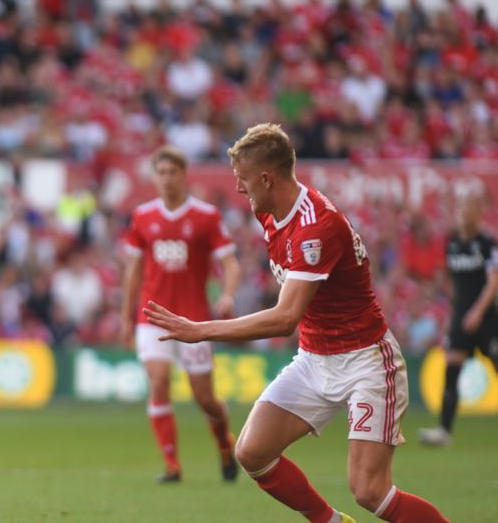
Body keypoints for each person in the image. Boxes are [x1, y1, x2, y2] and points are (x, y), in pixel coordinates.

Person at [143, 123, 447, 522]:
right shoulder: (268, 212)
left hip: (366, 363)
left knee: (370, 492)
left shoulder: (314, 228)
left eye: (244, 179)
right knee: (252, 452)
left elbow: (285, 318)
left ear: (267, 178)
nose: (239, 188)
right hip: (315, 358)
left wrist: (199, 330)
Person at [121, 145, 241, 483]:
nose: (167, 179)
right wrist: (125, 317)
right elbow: (133, 270)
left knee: (205, 399)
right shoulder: (143, 217)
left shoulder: (206, 217)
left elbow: (230, 263)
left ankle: (223, 443)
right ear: (154, 177)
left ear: (184, 175)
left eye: (173, 172)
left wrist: (228, 294)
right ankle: (172, 465)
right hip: (152, 317)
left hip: (194, 320)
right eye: (161, 173)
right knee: (158, 382)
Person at [418, 192, 498, 446]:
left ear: (479, 212)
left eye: (470, 207)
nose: (464, 213)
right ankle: (444, 430)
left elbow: (493, 282)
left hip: (486, 318)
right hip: (461, 317)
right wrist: (456, 309)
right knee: (451, 368)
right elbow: (454, 281)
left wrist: (477, 311)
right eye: (461, 207)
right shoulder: (452, 243)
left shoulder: (487, 244)